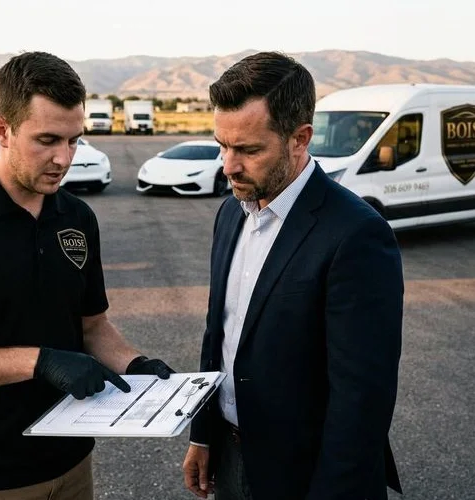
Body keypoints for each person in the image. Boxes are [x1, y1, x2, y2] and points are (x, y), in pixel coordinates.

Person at [0, 51, 173, 500]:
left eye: (74, 140)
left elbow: (93, 327)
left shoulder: (76, 217)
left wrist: (137, 365)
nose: (64, 158)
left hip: (72, 464)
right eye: (47, 140)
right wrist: (39, 362)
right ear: (2, 130)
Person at [181, 51, 404, 500]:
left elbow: (361, 398)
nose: (228, 166)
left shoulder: (356, 234)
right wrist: (203, 434)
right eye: (222, 145)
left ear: (300, 138)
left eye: (248, 149)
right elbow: (219, 333)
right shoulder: (230, 213)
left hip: (306, 474)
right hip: (230, 454)